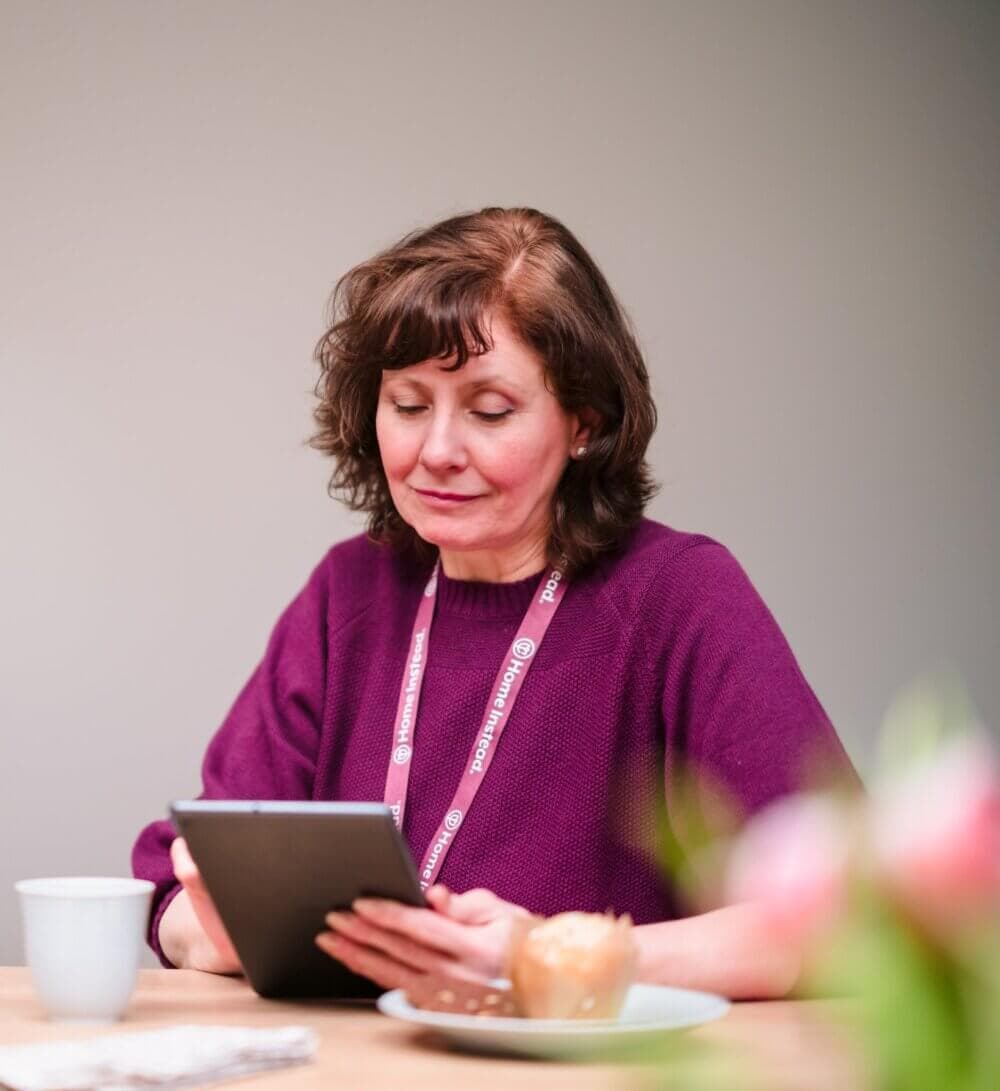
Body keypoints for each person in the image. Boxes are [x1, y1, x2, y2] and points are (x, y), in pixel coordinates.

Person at [132, 207, 857, 1000]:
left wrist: (544, 954)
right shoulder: (349, 593)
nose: (437, 451)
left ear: (585, 421)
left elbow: (847, 919)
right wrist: (217, 929)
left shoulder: (679, 597)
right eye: (408, 405)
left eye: (488, 410)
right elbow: (175, 881)